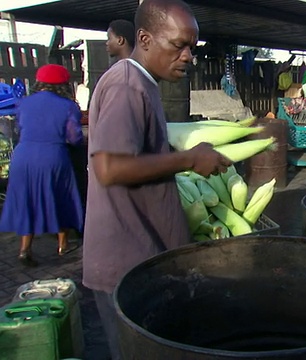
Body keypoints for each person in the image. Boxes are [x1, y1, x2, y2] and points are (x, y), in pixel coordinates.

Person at [83, 0, 232, 358]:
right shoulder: (126, 85)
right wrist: (190, 159)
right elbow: (110, 168)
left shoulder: (142, 83)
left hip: (141, 255)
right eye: (178, 45)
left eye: (192, 48)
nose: (187, 57)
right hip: (125, 262)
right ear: (145, 38)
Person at [0, 64, 85, 267]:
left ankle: (24, 249)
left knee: (26, 201)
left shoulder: (24, 103)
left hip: (23, 157)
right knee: (60, 197)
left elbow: (23, 127)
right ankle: (63, 245)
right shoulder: (68, 106)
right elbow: (73, 138)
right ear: (63, 84)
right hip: (53, 157)